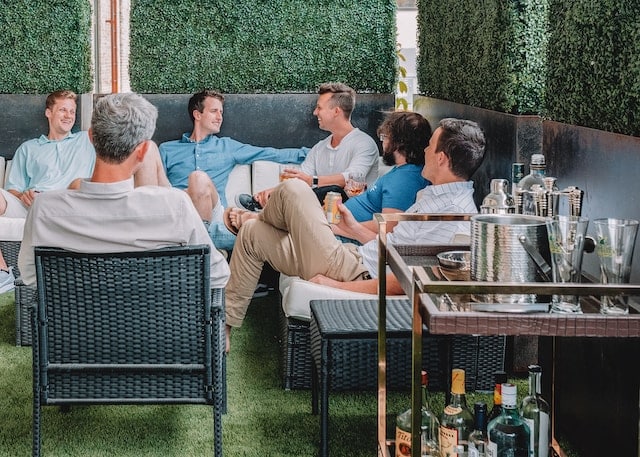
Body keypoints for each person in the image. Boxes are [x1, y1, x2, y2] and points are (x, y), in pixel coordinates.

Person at [224, 118, 485, 351]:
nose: (425, 150)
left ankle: (258, 215)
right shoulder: (435, 197)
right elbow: (394, 250)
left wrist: (337, 287)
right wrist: (354, 229)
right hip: (354, 256)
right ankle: (226, 327)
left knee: (293, 189)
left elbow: (406, 284)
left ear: (441, 158)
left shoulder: (453, 218)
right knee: (251, 235)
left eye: (431, 146)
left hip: (354, 272)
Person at [18, 92, 230, 289]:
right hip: (159, 325)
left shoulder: (44, 208)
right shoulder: (176, 207)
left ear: (91, 138)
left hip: (75, 326)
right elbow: (217, 275)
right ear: (143, 151)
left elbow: (30, 276)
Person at [0, 90, 168, 291]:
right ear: (48, 113)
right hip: (33, 204)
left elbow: (118, 140)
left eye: (72, 111)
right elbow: (12, 190)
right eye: (63, 110)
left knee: (78, 183)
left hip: (75, 200)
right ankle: (2, 272)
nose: (69, 115)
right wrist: (24, 195)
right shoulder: (28, 148)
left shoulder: (86, 140)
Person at [158, 89, 309, 251]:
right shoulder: (168, 150)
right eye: (214, 111)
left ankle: (191, 243)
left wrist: (312, 153)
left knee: (198, 179)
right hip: (180, 211)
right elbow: (157, 188)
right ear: (197, 115)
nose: (219, 117)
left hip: (214, 215)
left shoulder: (227, 146)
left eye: (221, 112)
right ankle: (204, 241)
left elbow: (270, 153)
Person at [236, 82, 379, 211]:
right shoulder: (319, 148)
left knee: (333, 191)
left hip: (352, 211)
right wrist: (271, 192)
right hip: (319, 211)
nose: (315, 112)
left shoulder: (364, 144)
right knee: (300, 190)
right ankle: (266, 206)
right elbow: (301, 179)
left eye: (319, 108)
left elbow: (353, 178)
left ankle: (272, 208)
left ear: (336, 111)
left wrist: (312, 181)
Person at [341, 110, 431, 235]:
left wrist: (340, 228)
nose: (382, 142)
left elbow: (388, 227)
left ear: (399, 143)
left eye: (385, 137)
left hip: (348, 237)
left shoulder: (404, 181)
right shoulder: (404, 170)